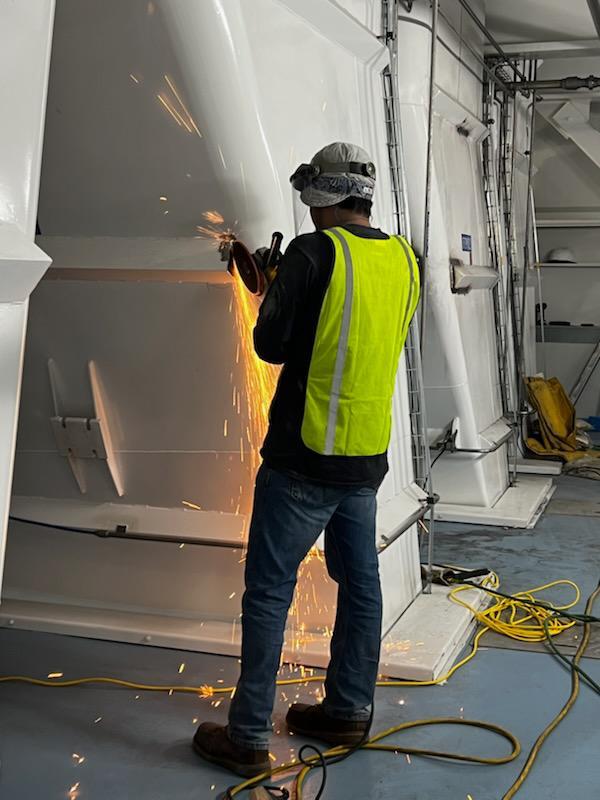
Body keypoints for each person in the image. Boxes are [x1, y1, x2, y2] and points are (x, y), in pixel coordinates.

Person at [193, 142, 420, 777]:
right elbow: (354, 330)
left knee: (268, 592)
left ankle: (246, 737)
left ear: (321, 196)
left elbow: (271, 345)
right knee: (361, 585)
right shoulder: (405, 257)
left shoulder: (312, 251)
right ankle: (348, 710)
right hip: (364, 456)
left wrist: (274, 289)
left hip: (303, 456)